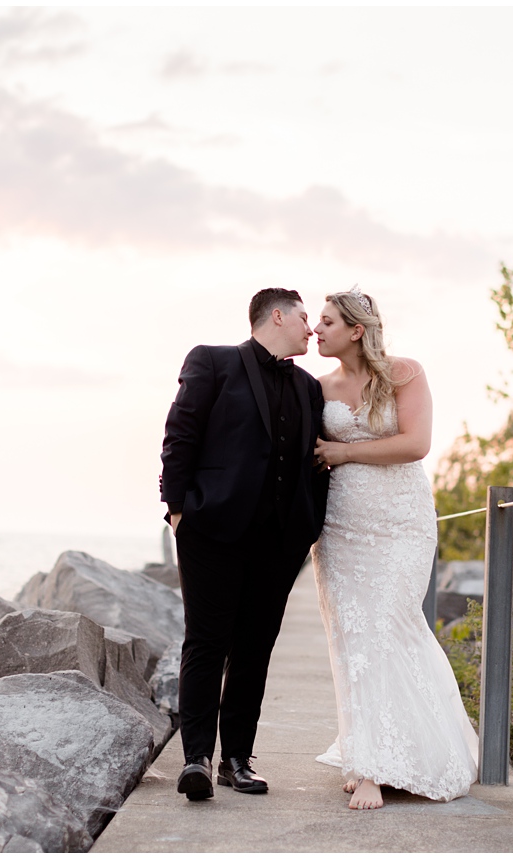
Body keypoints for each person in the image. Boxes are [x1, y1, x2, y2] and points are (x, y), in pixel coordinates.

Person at [158, 288, 331, 801]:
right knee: (206, 642)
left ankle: (237, 759)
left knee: (255, 650)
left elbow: (313, 462)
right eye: (304, 318)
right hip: (211, 529)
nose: (311, 329)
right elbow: (180, 435)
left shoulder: (308, 387)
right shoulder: (212, 362)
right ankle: (196, 759)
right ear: (276, 315)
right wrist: (177, 509)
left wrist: (309, 524)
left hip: (280, 541)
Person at [309, 287, 478, 810]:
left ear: (357, 330)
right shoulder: (316, 388)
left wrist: (343, 449)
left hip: (401, 521)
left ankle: (387, 763)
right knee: (353, 639)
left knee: (392, 625)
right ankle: (367, 758)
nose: (317, 330)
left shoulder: (404, 373)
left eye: (328, 322)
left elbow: (415, 444)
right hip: (341, 527)